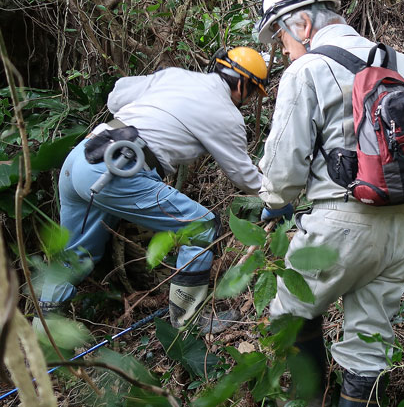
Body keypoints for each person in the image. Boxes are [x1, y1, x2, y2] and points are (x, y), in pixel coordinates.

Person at [256, 0, 404, 407]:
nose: (282, 47)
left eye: (280, 35)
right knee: (369, 342)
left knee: (288, 311)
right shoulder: (402, 62)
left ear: (302, 24)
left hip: (342, 224)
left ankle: (309, 405)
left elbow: (283, 169)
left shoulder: (307, 69)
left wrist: (272, 205)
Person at [38, 47, 268, 333]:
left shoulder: (177, 76)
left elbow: (116, 96)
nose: (249, 100)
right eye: (253, 92)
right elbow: (244, 177)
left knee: (76, 254)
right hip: (115, 170)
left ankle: (43, 333)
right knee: (201, 226)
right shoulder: (226, 115)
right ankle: (188, 322)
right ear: (244, 85)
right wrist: (278, 197)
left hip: (82, 157)